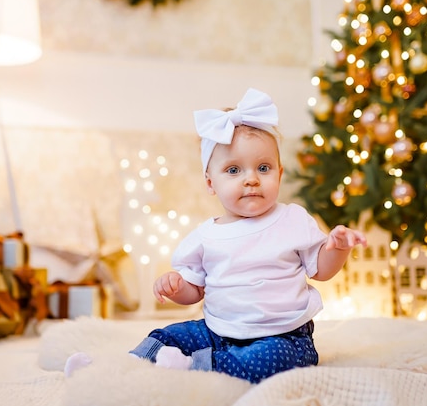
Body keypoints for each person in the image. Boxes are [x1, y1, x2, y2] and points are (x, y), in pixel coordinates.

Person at [125, 88, 367, 383]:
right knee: (169, 334)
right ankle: (128, 366)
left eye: (263, 168)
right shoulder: (206, 236)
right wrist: (177, 288)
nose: (251, 178)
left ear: (279, 174)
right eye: (234, 170)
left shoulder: (292, 220)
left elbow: (322, 270)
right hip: (218, 332)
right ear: (211, 182)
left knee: (271, 361)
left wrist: (337, 248)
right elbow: (195, 291)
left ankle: (193, 368)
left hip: (283, 336)